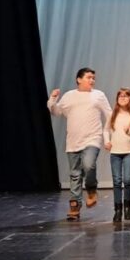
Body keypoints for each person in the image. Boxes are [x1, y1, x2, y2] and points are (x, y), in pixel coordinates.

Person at [48, 67, 112, 221]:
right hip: (73, 141)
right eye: (89, 77)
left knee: (89, 165)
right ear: (79, 79)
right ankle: (75, 207)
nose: (92, 80)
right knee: (75, 174)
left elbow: (109, 114)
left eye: (93, 78)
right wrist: (52, 100)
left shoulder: (98, 95)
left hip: (92, 138)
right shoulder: (69, 96)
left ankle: (91, 189)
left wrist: (107, 135)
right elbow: (56, 112)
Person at [104, 88, 130, 222]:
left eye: (126, 96)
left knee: (128, 181)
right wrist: (107, 141)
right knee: (117, 181)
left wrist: (129, 131)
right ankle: (118, 210)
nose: (123, 98)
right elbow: (106, 130)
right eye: (120, 96)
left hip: (128, 151)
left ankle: (127, 208)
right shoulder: (112, 114)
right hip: (115, 152)